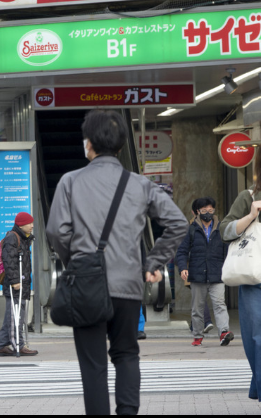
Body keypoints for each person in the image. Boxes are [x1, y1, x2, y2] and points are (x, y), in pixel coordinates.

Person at [46, 110, 188, 416]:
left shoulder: (70, 182)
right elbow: (178, 222)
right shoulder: (140, 184)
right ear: (122, 146)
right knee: (126, 354)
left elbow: (56, 231)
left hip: (86, 287)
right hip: (128, 284)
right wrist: (153, 261)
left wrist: (77, 262)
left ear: (88, 145)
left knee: (93, 364)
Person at [221, 150, 261, 402]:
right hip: (254, 282)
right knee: (257, 341)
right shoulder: (249, 196)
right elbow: (225, 230)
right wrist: (250, 216)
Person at [176, 196, 233, 348]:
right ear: (197, 212)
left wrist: (228, 268)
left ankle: (224, 332)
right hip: (197, 274)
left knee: (220, 304)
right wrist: (183, 268)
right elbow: (181, 251)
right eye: (204, 210)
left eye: (210, 210)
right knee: (197, 308)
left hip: (217, 274)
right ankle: (197, 336)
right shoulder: (191, 230)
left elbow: (228, 252)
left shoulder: (221, 229)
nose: (208, 213)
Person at [0, 212, 38, 357]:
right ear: (21, 224)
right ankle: (18, 345)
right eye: (29, 223)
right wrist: (14, 282)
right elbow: (9, 261)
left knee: (13, 315)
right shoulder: (12, 237)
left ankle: (1, 345)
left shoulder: (24, 238)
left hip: (22, 282)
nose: (32, 226)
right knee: (16, 316)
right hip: (16, 284)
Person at [187, 198, 214, 334]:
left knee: (198, 297)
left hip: (196, 267)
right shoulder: (193, 226)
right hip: (194, 268)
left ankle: (206, 321)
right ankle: (196, 324)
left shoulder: (193, 225)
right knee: (197, 297)